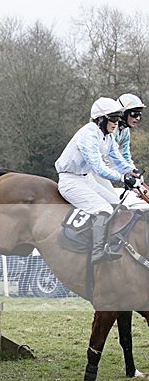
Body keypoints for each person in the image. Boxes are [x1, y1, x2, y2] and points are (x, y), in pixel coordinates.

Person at [55, 97, 140, 264]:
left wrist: (132, 172)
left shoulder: (107, 136)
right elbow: (98, 167)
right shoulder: (89, 134)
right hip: (70, 180)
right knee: (103, 209)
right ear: (101, 119)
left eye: (118, 118)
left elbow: (117, 160)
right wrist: (123, 178)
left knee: (117, 205)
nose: (116, 123)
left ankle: (112, 243)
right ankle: (97, 252)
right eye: (113, 118)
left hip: (86, 179)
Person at [92, 93, 146, 209]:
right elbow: (112, 159)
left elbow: (126, 156)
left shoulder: (125, 131)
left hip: (105, 170)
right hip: (95, 171)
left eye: (139, 114)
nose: (137, 118)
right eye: (134, 114)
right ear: (123, 113)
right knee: (114, 203)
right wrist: (126, 177)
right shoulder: (111, 130)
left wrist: (134, 172)